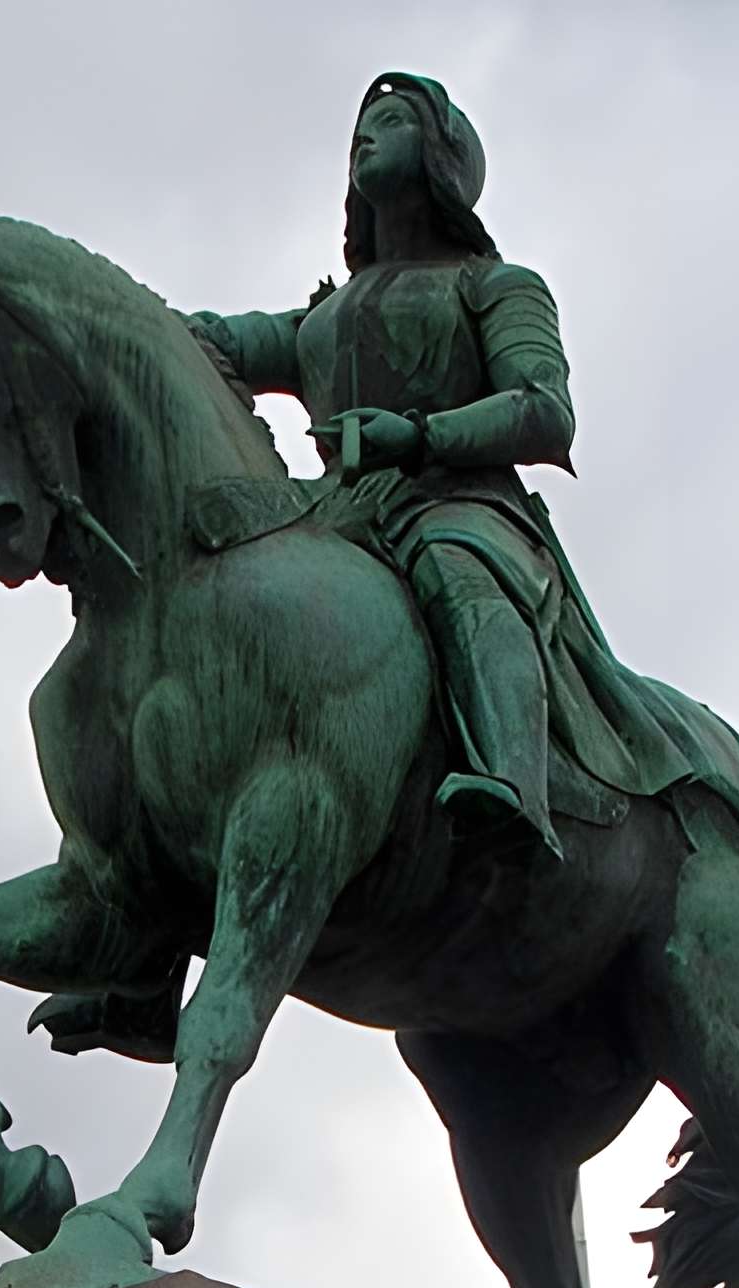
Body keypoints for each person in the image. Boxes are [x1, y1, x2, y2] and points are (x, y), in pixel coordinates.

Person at [192, 72, 586, 861]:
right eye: (361, 127)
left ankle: (512, 782)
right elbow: (215, 341)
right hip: (334, 517)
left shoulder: (495, 286)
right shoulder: (325, 317)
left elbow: (544, 409)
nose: (366, 136)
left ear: (442, 159)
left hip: (457, 506)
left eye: (394, 119)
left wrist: (416, 435)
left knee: (456, 573)